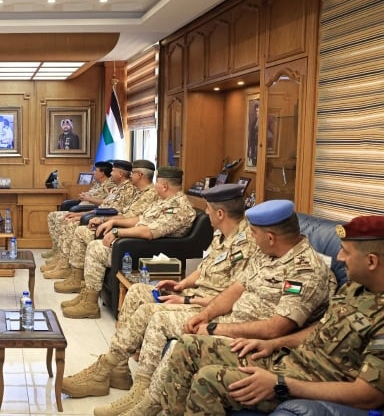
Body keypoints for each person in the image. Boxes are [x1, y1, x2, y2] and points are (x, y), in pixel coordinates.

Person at [103, 199, 336, 416]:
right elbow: (236, 289)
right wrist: (205, 316)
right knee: (177, 333)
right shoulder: (269, 254)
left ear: (271, 237)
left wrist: (215, 329)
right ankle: (147, 399)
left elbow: (275, 328)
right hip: (232, 322)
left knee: (183, 345)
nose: (252, 238)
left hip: (258, 343)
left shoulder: (306, 271)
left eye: (254, 234)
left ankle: (151, 405)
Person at [158, 215, 384, 416]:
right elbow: (321, 328)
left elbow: (368, 396)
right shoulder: (354, 288)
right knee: (189, 346)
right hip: (290, 358)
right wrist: (274, 344)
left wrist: (281, 384)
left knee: (208, 379)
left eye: (346, 252)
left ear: (372, 261)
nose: (339, 257)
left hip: (313, 382)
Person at [60, 184, 255, 401]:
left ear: (220, 213)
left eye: (208, 208)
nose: (205, 211)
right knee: (137, 291)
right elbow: (204, 268)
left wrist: (188, 299)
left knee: (149, 313)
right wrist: (181, 285)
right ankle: (119, 370)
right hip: (195, 294)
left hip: (210, 307)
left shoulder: (248, 245)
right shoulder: (221, 234)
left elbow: (234, 297)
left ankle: (129, 384)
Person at [57, 166, 197, 319]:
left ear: (164, 186)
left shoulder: (178, 207)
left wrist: (117, 232)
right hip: (136, 243)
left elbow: (148, 232)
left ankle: (90, 304)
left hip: (148, 250)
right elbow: (139, 219)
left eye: (157, 182)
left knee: (96, 248)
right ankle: (87, 294)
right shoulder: (163, 201)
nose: (155, 185)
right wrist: (112, 223)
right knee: (96, 245)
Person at [42, 161, 118, 280]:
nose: (93, 172)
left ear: (102, 173)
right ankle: (59, 255)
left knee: (68, 222)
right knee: (55, 216)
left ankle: (65, 266)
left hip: (97, 216)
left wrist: (86, 204)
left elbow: (107, 207)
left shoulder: (112, 186)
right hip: (91, 212)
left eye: (95, 170)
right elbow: (104, 205)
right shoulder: (101, 185)